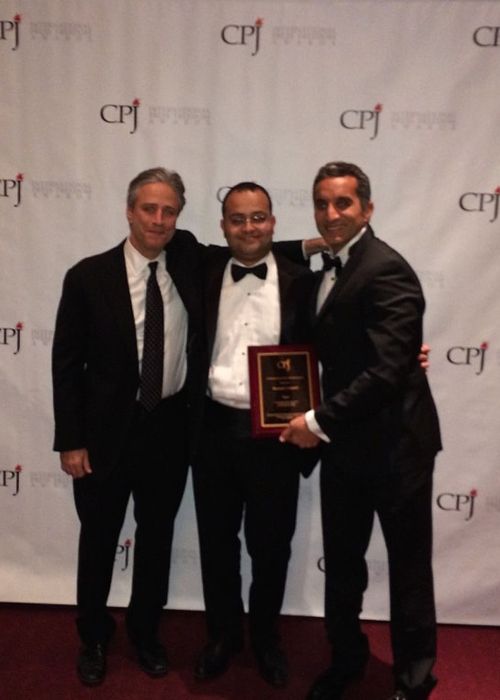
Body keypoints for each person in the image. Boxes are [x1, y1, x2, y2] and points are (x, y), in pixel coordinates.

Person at [280, 162, 441, 700]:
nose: (331, 213)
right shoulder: (327, 264)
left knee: (409, 568)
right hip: (346, 448)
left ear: (368, 209)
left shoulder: (386, 268)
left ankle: (415, 679)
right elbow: (266, 251)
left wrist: (317, 422)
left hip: (398, 448)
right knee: (344, 566)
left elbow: (387, 370)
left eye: (343, 204)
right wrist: (321, 238)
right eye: (321, 203)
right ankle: (346, 659)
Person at [52, 167, 203, 686]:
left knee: (157, 538)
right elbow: (66, 365)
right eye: (149, 209)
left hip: (169, 428)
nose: (159, 220)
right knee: (98, 538)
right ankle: (93, 634)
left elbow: (255, 248)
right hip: (101, 436)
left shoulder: (188, 260)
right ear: (129, 209)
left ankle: (145, 631)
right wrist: (70, 440)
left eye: (169, 211)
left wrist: (323, 241)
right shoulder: (87, 276)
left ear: (179, 217)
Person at [191, 182, 321, 688]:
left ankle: (266, 637)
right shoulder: (200, 269)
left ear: (273, 223)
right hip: (213, 428)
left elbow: (340, 340)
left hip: (277, 437)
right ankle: (223, 635)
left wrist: (404, 356)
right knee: (216, 543)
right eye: (238, 219)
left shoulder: (302, 282)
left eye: (258, 218)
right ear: (223, 227)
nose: (249, 228)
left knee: (272, 546)